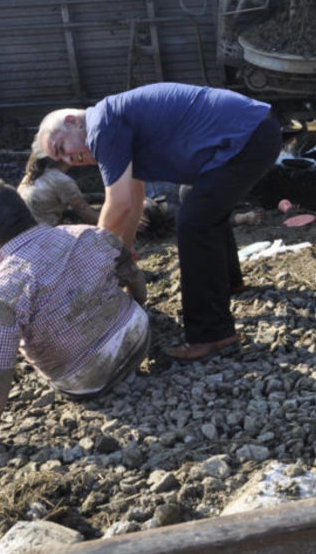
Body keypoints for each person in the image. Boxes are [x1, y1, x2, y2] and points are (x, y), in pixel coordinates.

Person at [33, 82, 281, 361]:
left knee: (194, 220)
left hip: (250, 136)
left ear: (72, 121)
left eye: (62, 147)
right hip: (255, 130)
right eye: (61, 158)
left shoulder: (102, 125)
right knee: (196, 200)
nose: (70, 158)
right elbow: (134, 199)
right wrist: (121, 258)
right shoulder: (110, 122)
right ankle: (228, 283)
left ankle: (213, 334)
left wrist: (96, 264)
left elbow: (118, 202)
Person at [0, 180, 148, 473]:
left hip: (88, 381)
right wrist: (140, 306)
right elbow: (133, 275)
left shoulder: (3, 287)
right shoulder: (89, 234)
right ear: (29, 213)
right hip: (139, 337)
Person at [18, 152, 98, 227]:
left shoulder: (30, 176)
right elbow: (84, 211)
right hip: (43, 232)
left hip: (22, 230)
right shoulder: (60, 180)